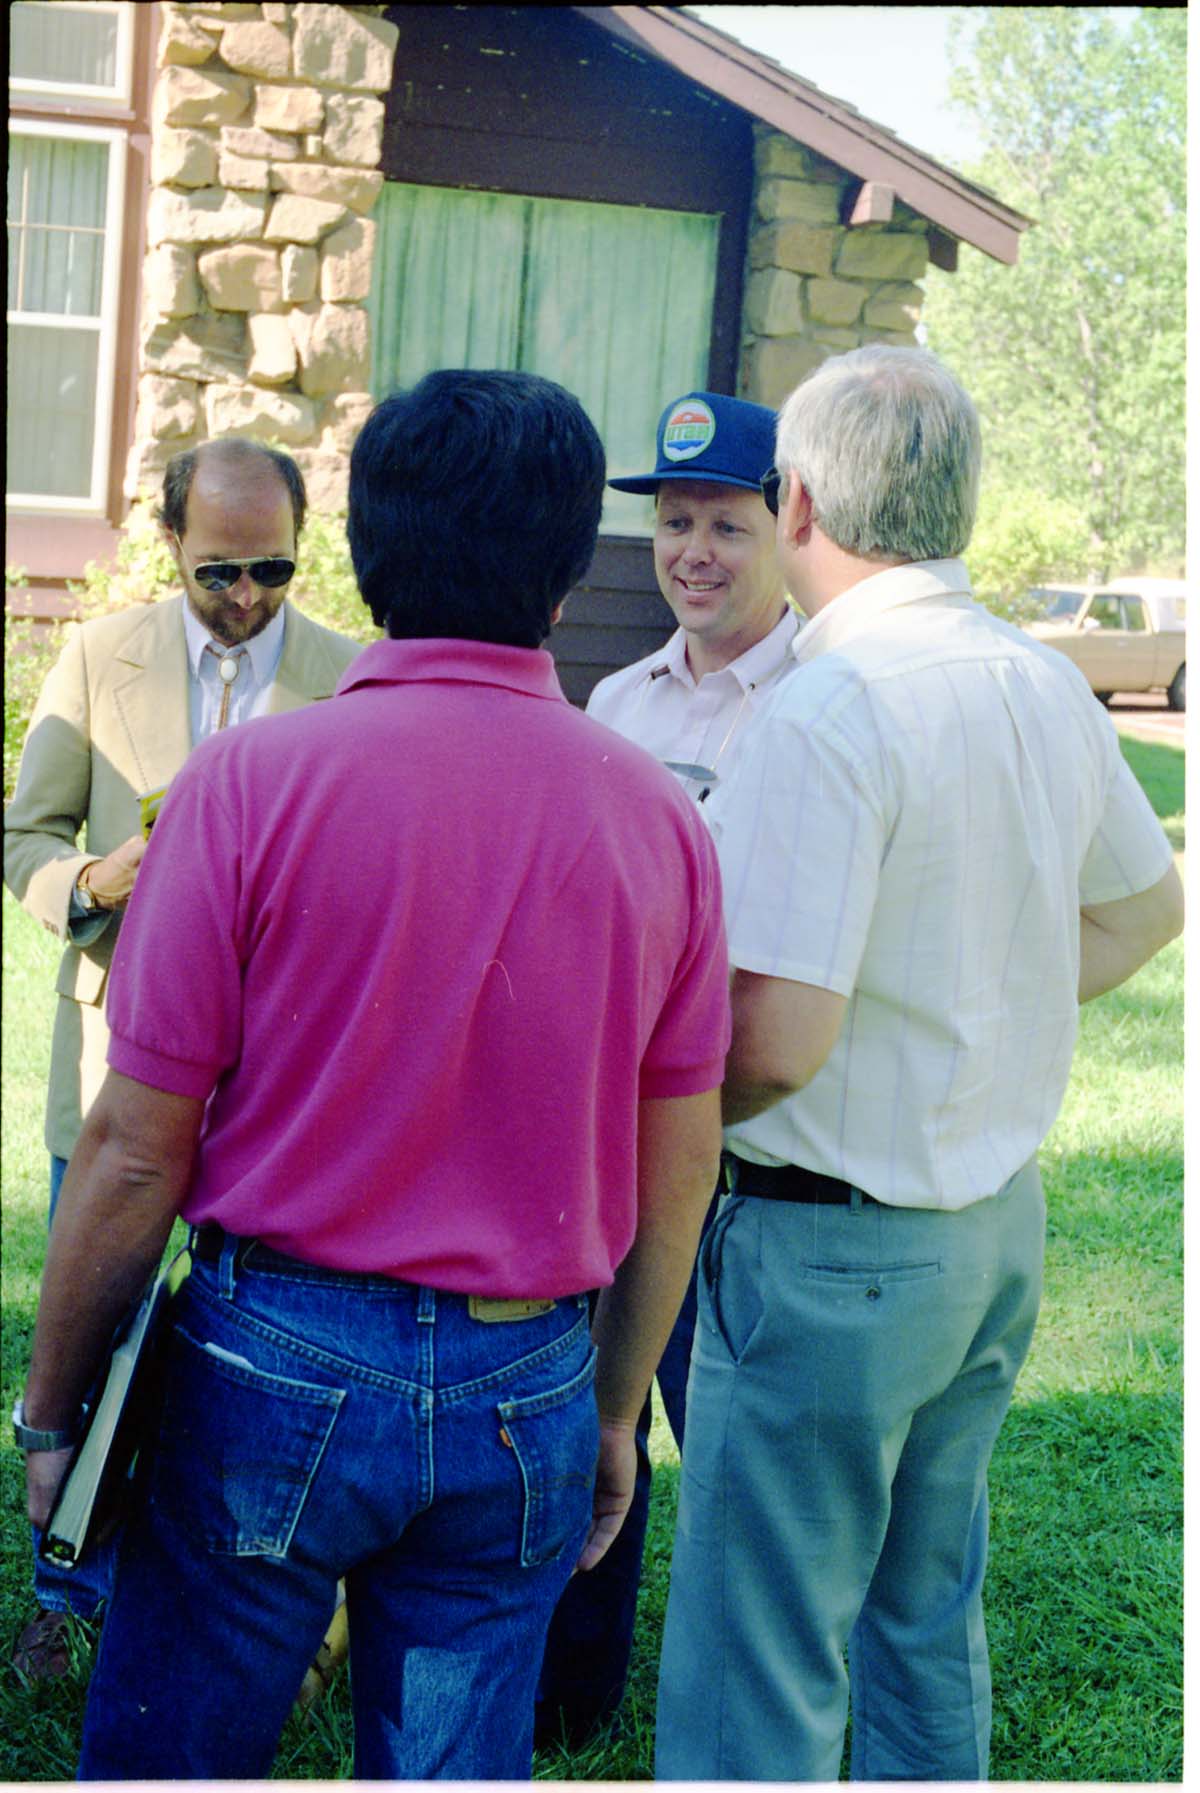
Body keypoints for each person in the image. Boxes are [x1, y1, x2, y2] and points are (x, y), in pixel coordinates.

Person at [16, 369, 731, 1781]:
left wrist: (55, 1411)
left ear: (365, 550)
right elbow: (680, 1154)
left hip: (267, 1356)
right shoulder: (658, 813)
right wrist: (614, 1407)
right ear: (567, 566)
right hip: (529, 1366)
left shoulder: (246, 786)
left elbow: (135, 1148)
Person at [655, 345, 1184, 1781]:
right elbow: (1147, 906)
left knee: (753, 1675)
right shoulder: (1040, 676)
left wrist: (641, 1132)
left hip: (830, 1254)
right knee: (923, 1621)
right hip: (992, 1235)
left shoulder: (829, 707)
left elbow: (774, 1041)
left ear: (801, 503)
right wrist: (975, 1003)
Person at [4, 437, 361, 1677]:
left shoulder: (350, 676)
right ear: (171, 544)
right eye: (220, 571)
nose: (249, 596)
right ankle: (62, 1589)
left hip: (280, 1085)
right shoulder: (102, 658)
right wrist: (100, 877)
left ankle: (281, 1615)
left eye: (273, 568)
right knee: (91, 1325)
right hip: (121, 1067)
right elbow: (25, 836)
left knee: (252, 1350)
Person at [536, 390, 796, 1746]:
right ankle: (573, 1699)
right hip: (616, 1136)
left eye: (726, 525)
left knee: (737, 1449)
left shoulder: (822, 702)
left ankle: (754, 1697)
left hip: (750, 1141)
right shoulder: (614, 702)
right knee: (598, 1404)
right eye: (674, 522)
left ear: (784, 527)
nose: (694, 550)